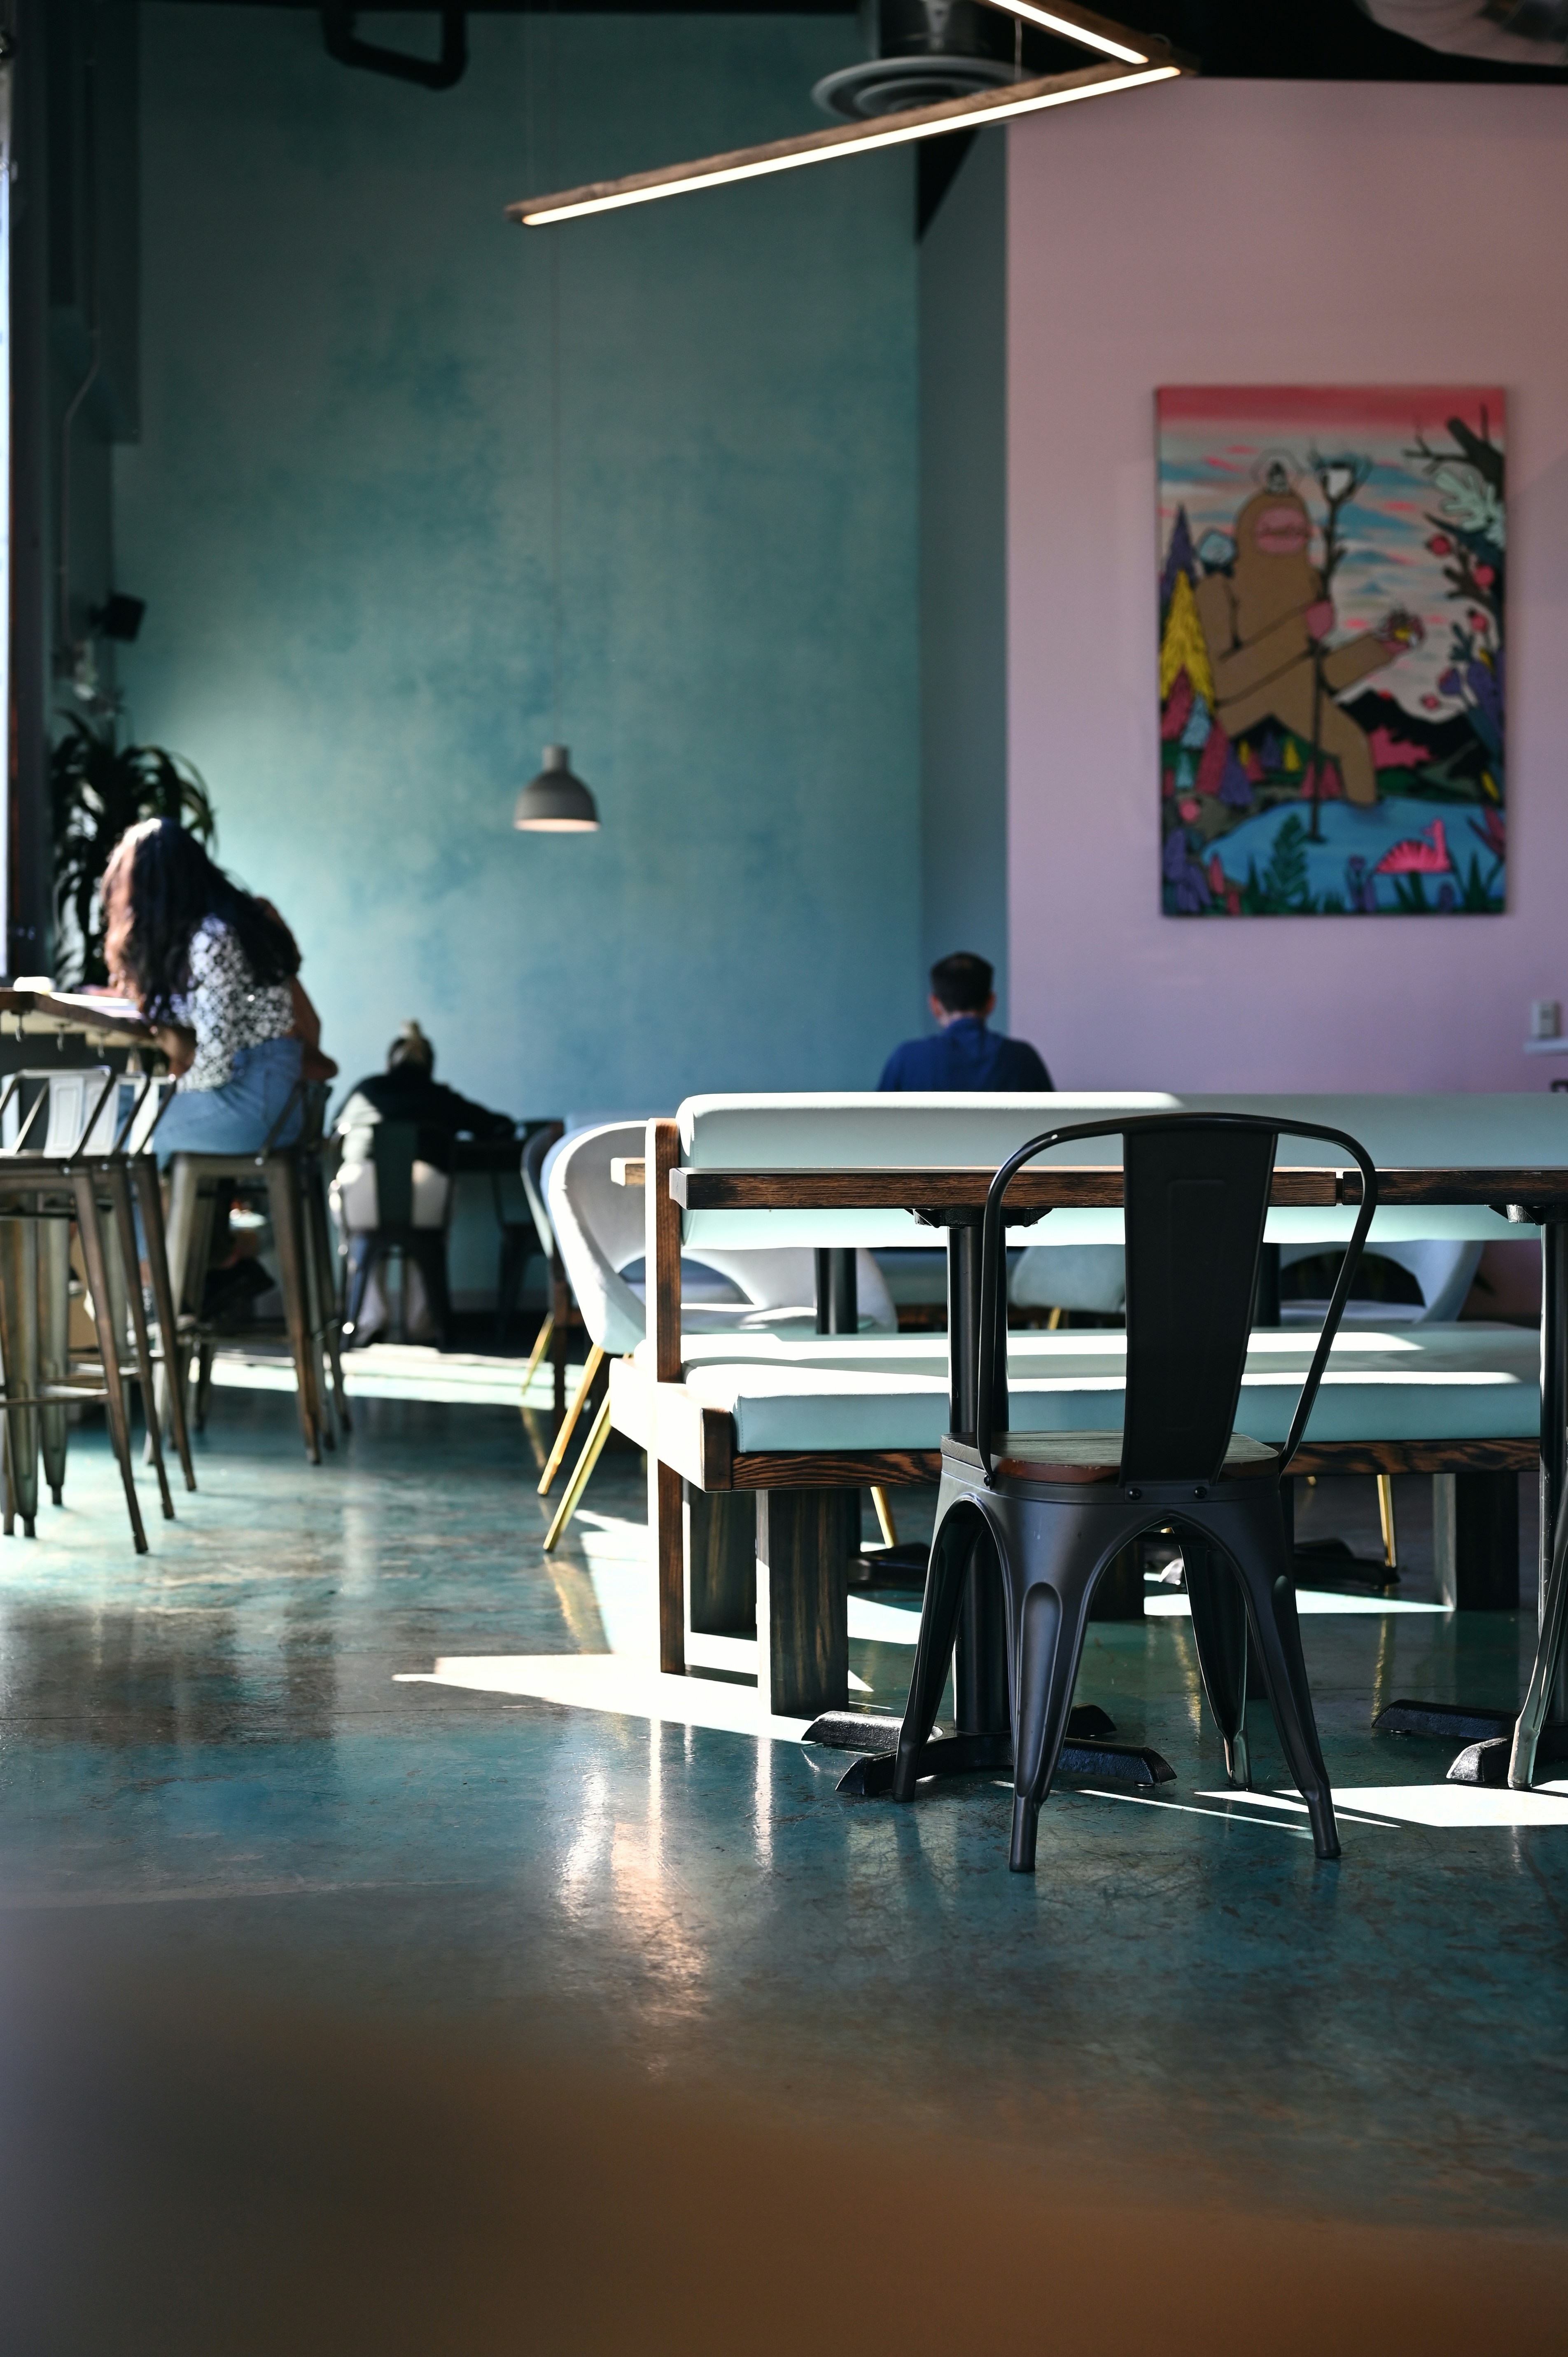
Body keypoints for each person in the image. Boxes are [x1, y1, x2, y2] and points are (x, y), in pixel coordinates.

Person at [103, 818, 334, 1161]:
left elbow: (214, 1067)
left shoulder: (212, 939)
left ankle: (146, 1215)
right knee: (111, 1111)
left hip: (255, 1101)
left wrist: (167, 1091)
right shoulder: (219, 930)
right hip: (264, 1092)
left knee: (118, 1128)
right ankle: (160, 1213)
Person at [331, 1024, 514, 1348]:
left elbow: (333, 1131)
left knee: (362, 1238)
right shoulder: (440, 1096)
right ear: (430, 1067)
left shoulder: (366, 1089)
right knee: (426, 1240)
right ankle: (422, 1323)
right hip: (426, 1192)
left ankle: (369, 1320)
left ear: (389, 1065)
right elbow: (500, 1126)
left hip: (360, 1192)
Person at [878, 953, 1052, 1091]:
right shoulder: (1024, 1059)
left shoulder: (907, 1060)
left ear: (935, 1005)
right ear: (991, 1002)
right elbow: (1053, 1127)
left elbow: (877, 1128)